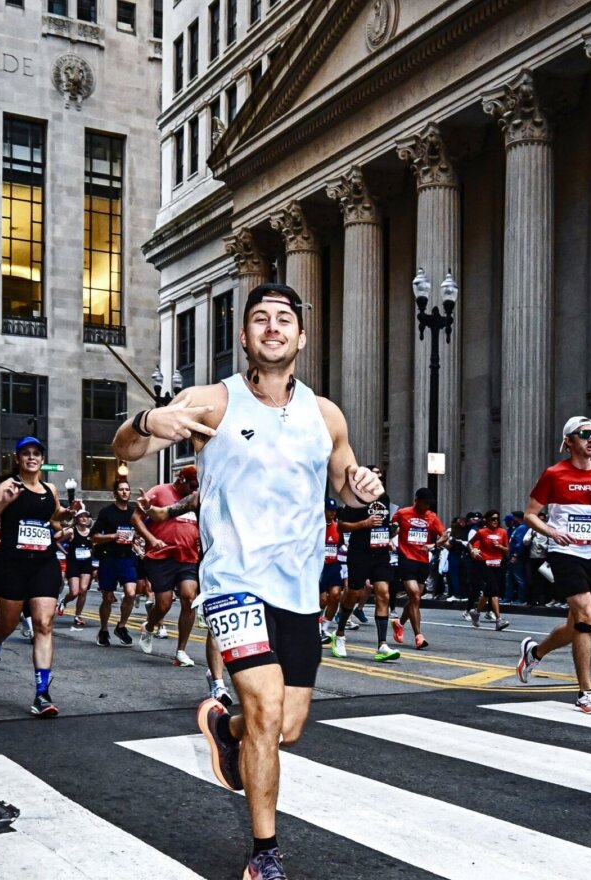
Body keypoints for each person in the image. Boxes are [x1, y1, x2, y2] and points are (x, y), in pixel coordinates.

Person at [113, 282, 384, 880]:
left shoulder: (325, 414)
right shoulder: (212, 401)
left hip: (299, 590)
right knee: (264, 709)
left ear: (301, 337)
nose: (272, 327)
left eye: (284, 319)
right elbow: (125, 449)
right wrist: (148, 419)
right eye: (260, 318)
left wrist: (362, 486)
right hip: (234, 582)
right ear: (244, 335)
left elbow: (346, 486)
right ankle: (265, 855)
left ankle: (223, 727)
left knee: (285, 726)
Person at [514, 416, 591, 714]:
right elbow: (530, 514)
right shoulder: (554, 474)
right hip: (564, 553)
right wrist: (552, 532)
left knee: (577, 624)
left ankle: (535, 652)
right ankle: (585, 693)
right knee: (587, 615)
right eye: (584, 434)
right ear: (569, 441)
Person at [0, 437, 78, 716]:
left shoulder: (49, 489)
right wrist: (3, 503)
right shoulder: (7, 487)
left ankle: (42, 694)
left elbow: (55, 517)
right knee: (7, 624)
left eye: (36, 453)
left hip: (44, 564)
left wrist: (68, 513)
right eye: (26, 453)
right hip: (12, 565)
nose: (31, 457)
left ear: (42, 459)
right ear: (18, 459)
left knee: (43, 624)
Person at [133, 465, 200, 667]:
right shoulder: (160, 491)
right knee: (164, 604)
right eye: (192, 485)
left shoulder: (196, 498)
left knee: (189, 598)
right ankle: (149, 626)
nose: (194, 490)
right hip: (161, 556)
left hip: (187, 556)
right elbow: (136, 518)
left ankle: (181, 651)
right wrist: (151, 539)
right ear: (181, 479)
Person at [332, 467, 400, 662]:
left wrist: (389, 533)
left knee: (384, 593)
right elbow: (341, 526)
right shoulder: (354, 500)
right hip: (359, 553)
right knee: (353, 594)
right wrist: (365, 524)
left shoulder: (384, 498)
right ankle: (340, 634)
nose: (379, 480)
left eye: (380, 477)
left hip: (380, 553)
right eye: (374, 477)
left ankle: (382, 645)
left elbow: (382, 523)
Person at [391, 488, 448, 649]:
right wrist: (390, 536)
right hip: (406, 559)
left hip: (423, 561)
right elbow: (391, 528)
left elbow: (444, 535)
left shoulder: (432, 517)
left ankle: (399, 623)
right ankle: (419, 636)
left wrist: (434, 544)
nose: (427, 506)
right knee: (415, 596)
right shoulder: (402, 513)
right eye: (425, 503)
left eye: (429, 504)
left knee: (415, 599)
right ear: (417, 500)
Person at [92, 478, 140, 648]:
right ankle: (104, 630)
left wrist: (137, 539)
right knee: (107, 598)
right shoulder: (106, 512)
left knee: (131, 593)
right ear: (115, 493)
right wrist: (113, 536)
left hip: (127, 558)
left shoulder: (134, 513)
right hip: (109, 558)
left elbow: (139, 532)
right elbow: (94, 537)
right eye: (121, 489)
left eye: (127, 489)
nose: (125, 492)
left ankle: (121, 626)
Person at [466, 512, 510, 631]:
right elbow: (470, 543)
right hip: (485, 563)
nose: (495, 521)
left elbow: (507, 550)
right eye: (492, 519)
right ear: (486, 520)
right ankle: (499, 619)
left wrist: (499, 547)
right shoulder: (481, 532)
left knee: (489, 591)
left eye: (497, 519)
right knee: (494, 590)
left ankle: (476, 612)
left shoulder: (502, 532)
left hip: (498, 563)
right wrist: (473, 551)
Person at [59, 509, 93, 628]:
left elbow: (95, 544)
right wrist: (65, 553)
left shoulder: (92, 532)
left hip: (86, 564)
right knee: (74, 592)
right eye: (81, 516)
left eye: (86, 516)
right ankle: (64, 601)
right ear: (77, 519)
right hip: (73, 563)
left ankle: (78, 615)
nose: (84, 518)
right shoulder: (71, 531)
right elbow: (57, 541)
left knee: (83, 590)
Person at [319, 499, 343, 645]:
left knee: (335, 595)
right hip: (319, 567)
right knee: (322, 600)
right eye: (329, 510)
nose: (332, 513)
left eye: (334, 510)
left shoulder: (338, 527)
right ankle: (315, 628)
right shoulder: (316, 528)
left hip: (333, 565)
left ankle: (324, 627)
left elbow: (341, 546)